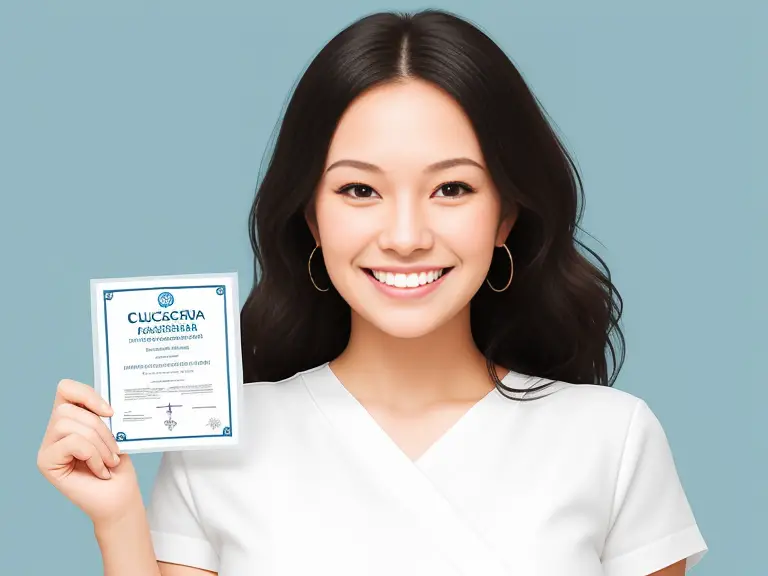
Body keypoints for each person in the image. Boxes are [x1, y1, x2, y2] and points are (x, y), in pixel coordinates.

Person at [36, 9, 708, 576]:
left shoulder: (613, 438)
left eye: (453, 188)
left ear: (505, 215)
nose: (407, 236)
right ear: (311, 215)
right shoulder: (217, 442)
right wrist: (119, 521)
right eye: (360, 189)